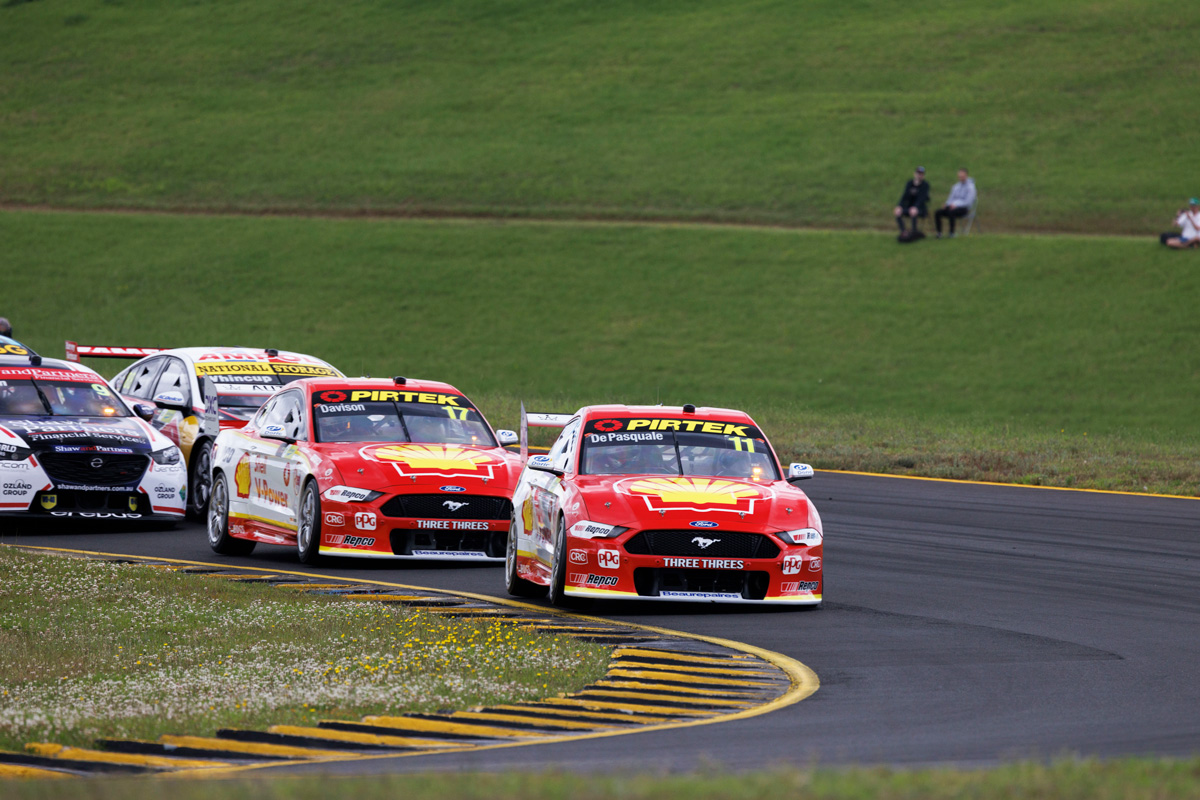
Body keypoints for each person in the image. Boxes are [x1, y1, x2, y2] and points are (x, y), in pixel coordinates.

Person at [935, 169, 977, 238]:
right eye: (959, 176)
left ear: (966, 176)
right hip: (952, 206)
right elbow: (951, 198)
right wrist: (946, 204)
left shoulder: (971, 187)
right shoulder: (956, 186)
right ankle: (939, 233)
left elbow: (968, 202)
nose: (961, 178)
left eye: (962, 176)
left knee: (952, 212)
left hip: (964, 208)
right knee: (938, 212)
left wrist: (956, 205)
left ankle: (951, 233)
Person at [894, 167, 931, 238]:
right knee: (898, 212)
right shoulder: (909, 183)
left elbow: (922, 199)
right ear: (915, 174)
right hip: (909, 207)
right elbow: (904, 196)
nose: (919, 175)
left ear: (923, 176)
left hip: (920, 208)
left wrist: (915, 207)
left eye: (921, 174)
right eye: (918, 173)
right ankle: (903, 232)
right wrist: (899, 206)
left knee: (913, 211)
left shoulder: (925, 185)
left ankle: (914, 231)